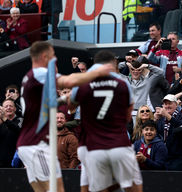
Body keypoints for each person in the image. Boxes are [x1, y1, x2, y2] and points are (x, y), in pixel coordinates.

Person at [16, 41, 113, 192]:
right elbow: (69, 81)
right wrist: (97, 72)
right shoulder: (40, 73)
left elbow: (51, 103)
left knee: (50, 188)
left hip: (34, 144)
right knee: (54, 188)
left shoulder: (32, 78)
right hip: (35, 144)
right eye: (53, 56)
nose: (55, 59)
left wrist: (67, 99)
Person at [70, 50, 143, 192]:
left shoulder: (82, 83)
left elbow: (71, 109)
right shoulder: (123, 83)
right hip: (118, 144)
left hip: (91, 146)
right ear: (113, 64)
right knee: (134, 187)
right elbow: (128, 118)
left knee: (90, 186)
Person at [155, 94, 182, 171]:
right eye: (165, 104)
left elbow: (181, 127)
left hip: (178, 157)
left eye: (169, 103)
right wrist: (155, 120)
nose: (167, 106)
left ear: (176, 105)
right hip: (164, 156)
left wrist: (167, 116)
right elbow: (156, 135)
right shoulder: (161, 119)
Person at [0, 98, 22, 168]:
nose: (8, 108)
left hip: (16, 161)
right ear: (2, 109)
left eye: (11, 106)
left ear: (15, 109)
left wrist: (5, 120)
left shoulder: (21, 120)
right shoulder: (1, 123)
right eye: (6, 106)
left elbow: (19, 131)